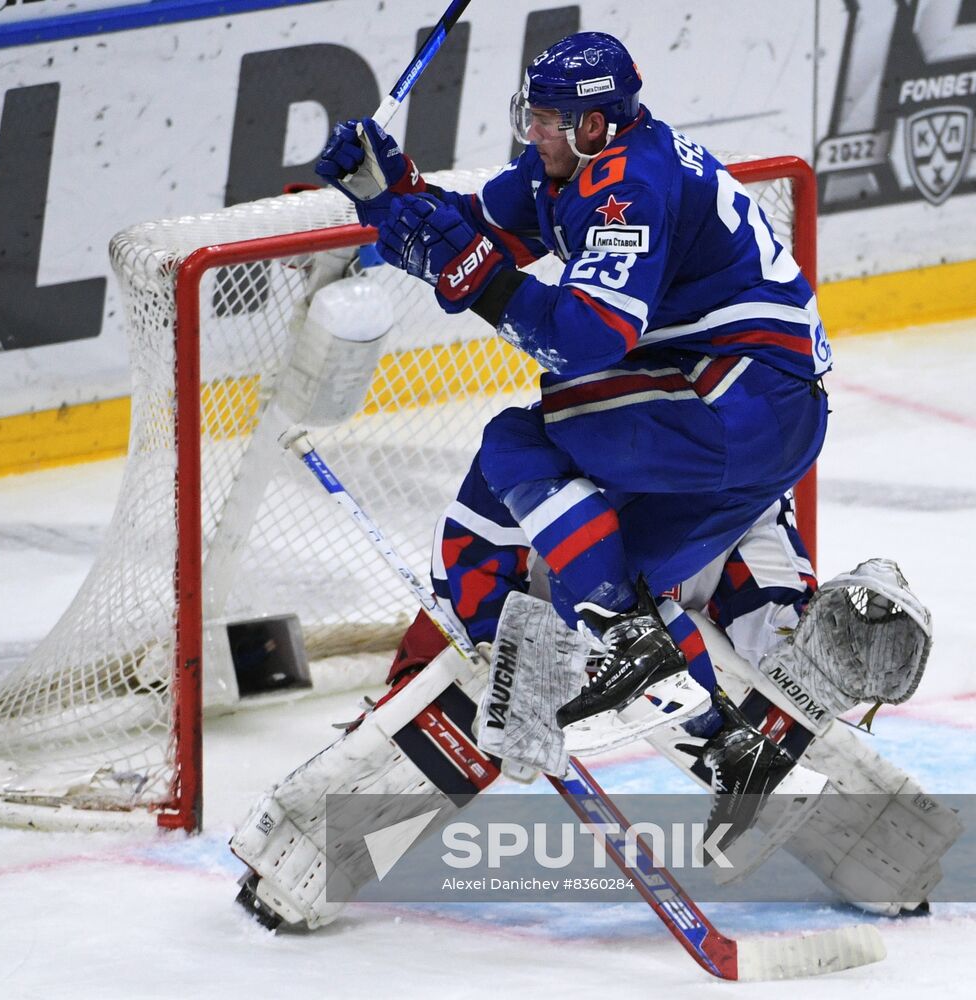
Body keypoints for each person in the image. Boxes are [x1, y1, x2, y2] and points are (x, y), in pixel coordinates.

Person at [314, 31, 833, 837]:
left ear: (597, 125)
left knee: (526, 438)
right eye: (535, 114)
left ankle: (637, 630)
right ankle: (725, 738)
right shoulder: (569, 166)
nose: (535, 131)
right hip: (743, 409)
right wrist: (389, 192)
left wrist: (480, 282)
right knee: (613, 552)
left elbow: (586, 338)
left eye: (551, 119)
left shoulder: (630, 187)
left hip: (738, 405)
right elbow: (471, 228)